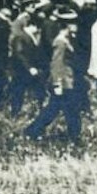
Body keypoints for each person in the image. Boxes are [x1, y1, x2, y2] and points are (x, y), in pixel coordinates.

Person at [25, 10, 85, 142]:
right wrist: (57, 84)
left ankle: (33, 131)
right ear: (67, 25)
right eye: (73, 23)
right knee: (66, 109)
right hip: (63, 82)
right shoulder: (60, 42)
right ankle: (74, 137)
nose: (76, 26)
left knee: (58, 109)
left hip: (67, 81)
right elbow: (56, 64)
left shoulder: (67, 40)